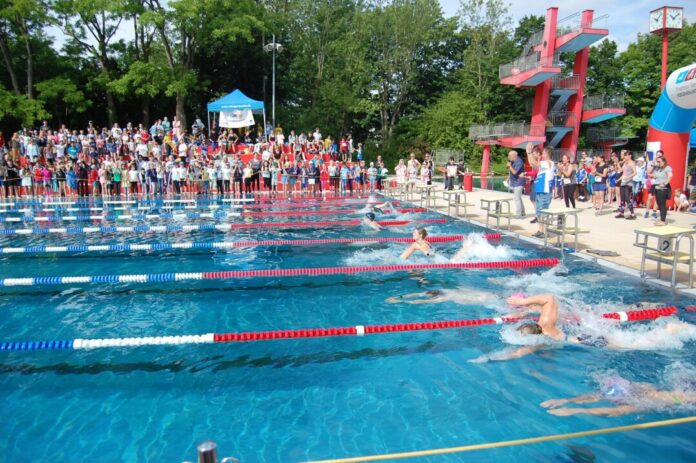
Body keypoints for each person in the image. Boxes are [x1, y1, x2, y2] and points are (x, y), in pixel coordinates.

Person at [540, 376, 696, 417]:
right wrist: (573, 408)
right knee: (621, 407)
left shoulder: (680, 394)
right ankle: (570, 405)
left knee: (608, 396)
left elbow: (617, 409)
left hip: (648, 392)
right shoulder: (648, 400)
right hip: (653, 397)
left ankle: (567, 401)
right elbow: (617, 411)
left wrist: (573, 407)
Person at [527, 145, 554, 237]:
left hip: (545, 192)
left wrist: (529, 152)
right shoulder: (544, 164)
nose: (542, 154)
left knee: (543, 212)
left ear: (547, 154)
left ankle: (545, 231)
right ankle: (540, 230)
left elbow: (533, 164)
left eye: (543, 153)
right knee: (538, 211)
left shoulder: (548, 163)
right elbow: (533, 165)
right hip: (540, 190)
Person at [650, 156, 673, 226]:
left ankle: (663, 220)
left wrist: (664, 184)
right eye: (657, 162)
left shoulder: (667, 168)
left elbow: (670, 176)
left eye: (659, 161)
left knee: (662, 204)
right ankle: (661, 219)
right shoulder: (659, 169)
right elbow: (655, 176)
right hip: (657, 188)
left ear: (664, 161)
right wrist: (652, 175)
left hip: (663, 189)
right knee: (659, 204)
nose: (658, 163)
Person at [507, 150, 526, 218]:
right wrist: (508, 177)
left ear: (513, 155)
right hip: (515, 182)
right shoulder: (513, 161)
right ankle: (523, 212)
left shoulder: (519, 161)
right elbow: (511, 172)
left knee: (516, 198)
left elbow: (515, 172)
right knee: (518, 198)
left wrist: (510, 166)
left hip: (519, 182)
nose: (508, 157)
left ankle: (518, 214)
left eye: (509, 156)